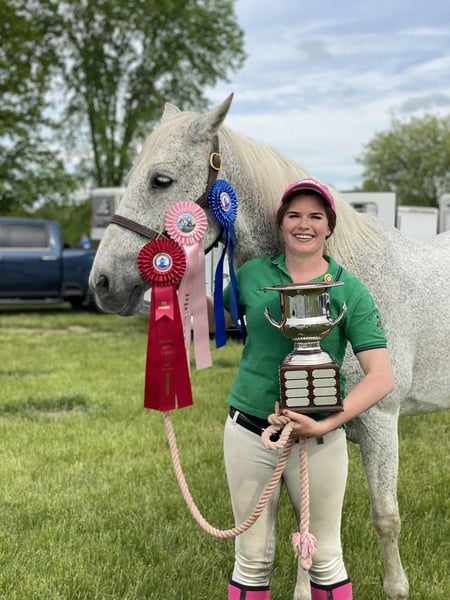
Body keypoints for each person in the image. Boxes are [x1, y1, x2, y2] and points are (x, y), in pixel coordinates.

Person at [209, 177, 395, 600]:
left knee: (325, 557)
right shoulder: (252, 275)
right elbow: (214, 318)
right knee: (251, 558)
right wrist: (176, 282)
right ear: (281, 223)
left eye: (315, 216)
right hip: (249, 431)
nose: (303, 224)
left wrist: (327, 422)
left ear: (329, 226)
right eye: (293, 215)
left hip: (320, 438)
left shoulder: (349, 288)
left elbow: (381, 376)